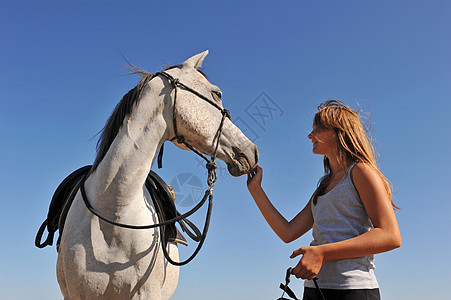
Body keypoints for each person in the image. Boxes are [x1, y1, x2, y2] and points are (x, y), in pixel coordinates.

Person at [247, 100, 401, 300]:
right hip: (314, 289)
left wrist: (322, 253)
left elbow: (390, 236)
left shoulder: (361, 171)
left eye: (317, 130)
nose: (310, 135)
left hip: (353, 290)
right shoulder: (322, 187)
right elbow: (287, 232)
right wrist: (256, 190)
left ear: (339, 132)